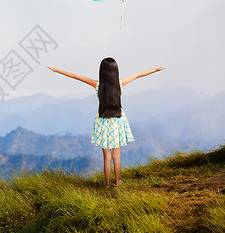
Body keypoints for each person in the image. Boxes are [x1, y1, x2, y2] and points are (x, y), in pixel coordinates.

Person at [48, 58, 165, 188]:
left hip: (102, 121)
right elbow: (138, 75)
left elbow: (77, 77)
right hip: (118, 121)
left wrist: (58, 70)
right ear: (115, 71)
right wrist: (155, 70)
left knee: (107, 157)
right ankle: (118, 182)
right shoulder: (120, 84)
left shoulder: (97, 85)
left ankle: (107, 184)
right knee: (117, 156)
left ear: (102, 71)